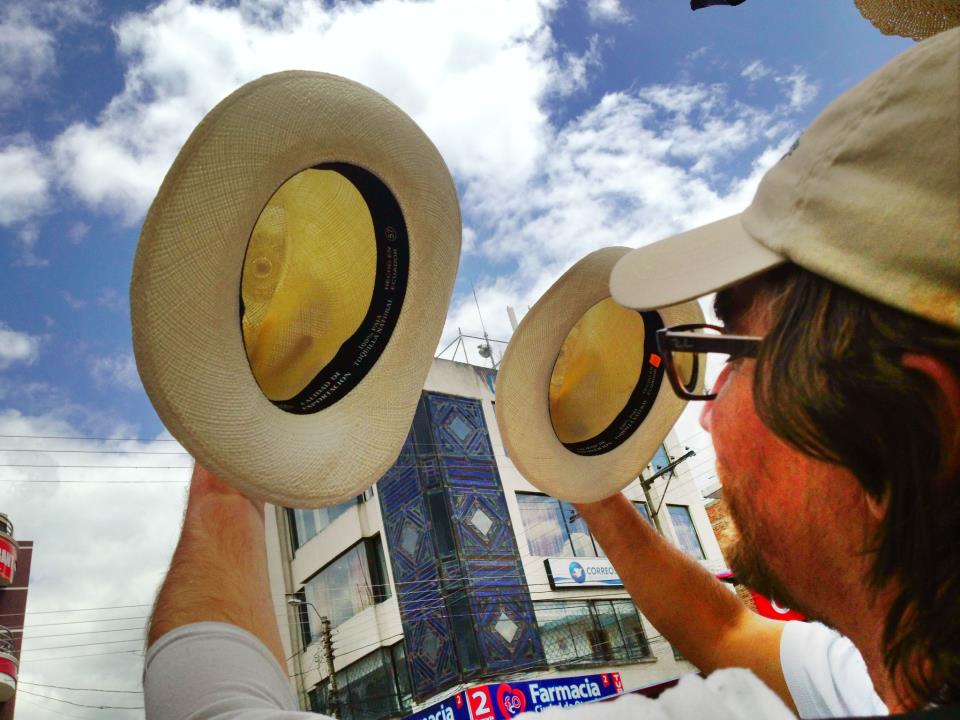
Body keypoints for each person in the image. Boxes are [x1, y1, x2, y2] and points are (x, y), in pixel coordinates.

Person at [143, 27, 958, 720]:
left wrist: (233, 456)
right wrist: (585, 483)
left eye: (737, 355)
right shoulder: (872, 681)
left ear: (912, 425)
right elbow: (725, 633)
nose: (706, 413)